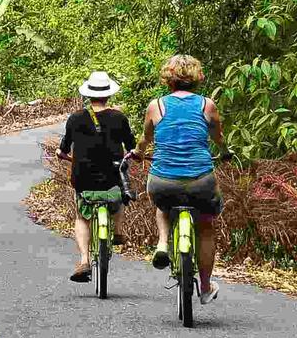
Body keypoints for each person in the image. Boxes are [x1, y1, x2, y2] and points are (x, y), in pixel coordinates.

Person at [139, 54, 225, 303]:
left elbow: (145, 140)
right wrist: (226, 152)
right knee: (206, 227)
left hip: (163, 182)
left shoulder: (156, 106)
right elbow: (218, 138)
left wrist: (137, 152)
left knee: (162, 204)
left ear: (168, 79)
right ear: (198, 77)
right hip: (201, 181)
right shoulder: (206, 105)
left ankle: (163, 243)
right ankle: (206, 287)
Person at [56, 70, 135, 283]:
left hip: (83, 178)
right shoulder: (119, 118)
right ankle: (117, 230)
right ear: (108, 95)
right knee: (119, 196)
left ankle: (83, 260)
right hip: (112, 176)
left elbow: (63, 149)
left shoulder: (75, 118)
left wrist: (63, 155)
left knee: (82, 216)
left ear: (88, 95)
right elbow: (132, 148)